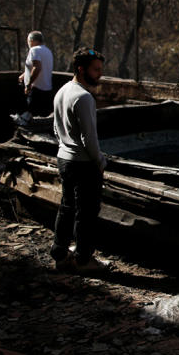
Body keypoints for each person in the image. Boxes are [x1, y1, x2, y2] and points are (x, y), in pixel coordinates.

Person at [50, 47, 109, 274]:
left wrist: (65, 145)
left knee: (66, 207)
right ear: (81, 69)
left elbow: (56, 128)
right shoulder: (83, 97)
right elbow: (89, 138)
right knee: (86, 213)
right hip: (83, 163)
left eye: (100, 69)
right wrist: (100, 162)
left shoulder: (62, 91)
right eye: (96, 70)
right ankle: (84, 260)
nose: (99, 74)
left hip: (64, 158)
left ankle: (60, 253)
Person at [13, 30, 54, 125]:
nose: (28, 43)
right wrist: (24, 75)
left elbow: (37, 67)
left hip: (36, 89)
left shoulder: (34, 50)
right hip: (46, 88)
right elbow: (38, 67)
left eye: (28, 41)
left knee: (29, 119)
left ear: (32, 40)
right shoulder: (47, 51)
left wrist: (28, 84)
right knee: (41, 118)